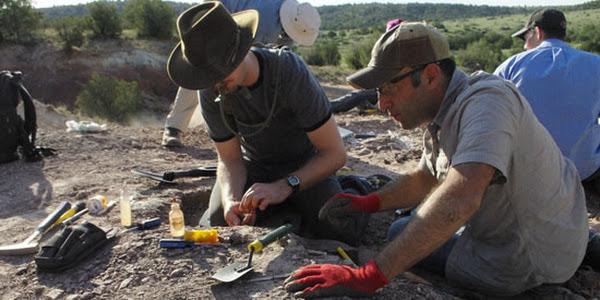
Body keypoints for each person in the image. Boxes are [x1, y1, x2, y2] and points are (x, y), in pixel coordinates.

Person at [284, 22, 589, 298]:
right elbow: (426, 177)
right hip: (555, 229)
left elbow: (461, 198)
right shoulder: (447, 108)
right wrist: (368, 203)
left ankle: (541, 290)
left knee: (403, 233)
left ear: (430, 75)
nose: (381, 103)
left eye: (389, 88)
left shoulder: (488, 102)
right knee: (403, 227)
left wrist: (366, 277)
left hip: (532, 259)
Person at [166, 2, 368, 244]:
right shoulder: (211, 88)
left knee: (340, 228)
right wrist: (231, 199)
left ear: (240, 51)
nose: (215, 83)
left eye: (221, 73)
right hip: (255, 165)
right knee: (221, 220)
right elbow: (229, 159)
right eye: (209, 76)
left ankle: (356, 186)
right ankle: (289, 212)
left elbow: (335, 154)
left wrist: (285, 186)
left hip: (304, 163)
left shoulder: (289, 72)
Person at [494, 8, 600, 269]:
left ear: (537, 33)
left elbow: (491, 117)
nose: (525, 45)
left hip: (530, 173)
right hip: (586, 171)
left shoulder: (511, 66)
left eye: (525, 38)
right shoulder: (596, 64)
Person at [162, 0, 321, 147]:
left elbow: (277, 56)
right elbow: (247, 59)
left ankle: (222, 129)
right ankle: (174, 128)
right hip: (211, 19)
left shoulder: (288, 17)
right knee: (203, 70)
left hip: (230, 23)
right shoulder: (267, 23)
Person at [329, 18, 403, 114]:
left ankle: (325, 108)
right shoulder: (392, 53)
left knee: (358, 96)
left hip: (392, 93)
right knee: (358, 95)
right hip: (383, 90)